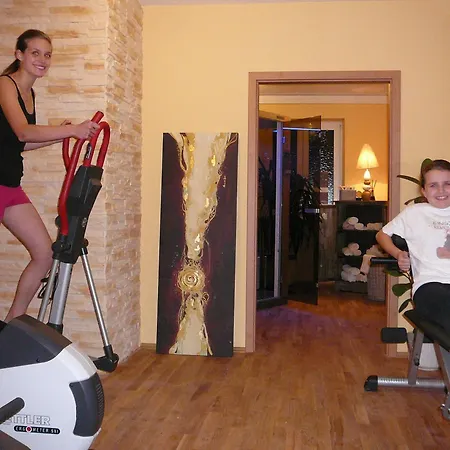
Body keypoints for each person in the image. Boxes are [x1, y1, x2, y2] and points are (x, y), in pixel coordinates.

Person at [0, 29, 100, 321]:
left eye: (47, 55)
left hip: (9, 186)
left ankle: (11, 325)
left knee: (44, 254)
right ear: (19, 55)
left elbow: (21, 143)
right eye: (35, 53)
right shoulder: (5, 84)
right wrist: (71, 130)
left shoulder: (30, 93)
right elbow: (23, 132)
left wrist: (62, 135)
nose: (42, 59)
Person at [376, 159, 450, 331]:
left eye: (447, 184)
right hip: (430, 284)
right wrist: (398, 254)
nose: (441, 190)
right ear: (423, 191)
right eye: (433, 185)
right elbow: (382, 235)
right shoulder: (414, 213)